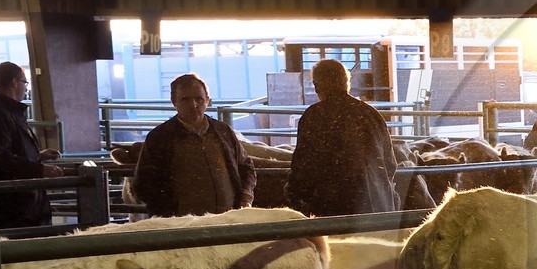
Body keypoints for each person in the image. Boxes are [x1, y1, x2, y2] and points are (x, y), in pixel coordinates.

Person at [130, 73, 257, 216]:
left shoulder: (223, 131)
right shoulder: (160, 137)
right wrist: (168, 215)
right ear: (174, 101)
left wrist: (245, 198)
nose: (193, 105)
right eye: (185, 100)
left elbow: (246, 166)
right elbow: (143, 184)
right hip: (184, 226)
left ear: (207, 100)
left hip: (228, 220)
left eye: (199, 99)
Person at [285, 59, 399, 216]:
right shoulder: (371, 114)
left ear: (317, 85)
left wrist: (294, 194)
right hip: (378, 208)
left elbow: (303, 167)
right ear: (346, 83)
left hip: (334, 210)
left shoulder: (314, 116)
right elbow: (390, 164)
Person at [0, 61, 63, 228]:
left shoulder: (5, 112)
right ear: (14, 83)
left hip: (19, 204)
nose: (26, 87)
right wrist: (40, 169)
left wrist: (38, 155)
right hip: (11, 209)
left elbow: (6, 150)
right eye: (24, 82)